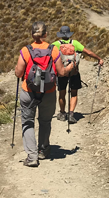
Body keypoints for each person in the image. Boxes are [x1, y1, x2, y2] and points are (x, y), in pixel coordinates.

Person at [15, 21, 70, 167]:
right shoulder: (53, 50)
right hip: (49, 91)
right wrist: (71, 66)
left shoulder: (25, 51)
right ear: (45, 34)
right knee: (45, 121)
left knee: (28, 122)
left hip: (29, 91)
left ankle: (32, 156)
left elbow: (19, 73)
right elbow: (61, 72)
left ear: (32, 34)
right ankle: (43, 150)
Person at [53, 25, 104, 124]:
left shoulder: (55, 44)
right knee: (74, 93)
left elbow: (46, 54)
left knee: (62, 93)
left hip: (61, 73)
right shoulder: (75, 43)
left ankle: (63, 113)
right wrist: (99, 58)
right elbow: (88, 52)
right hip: (74, 73)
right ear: (69, 34)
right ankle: (71, 114)